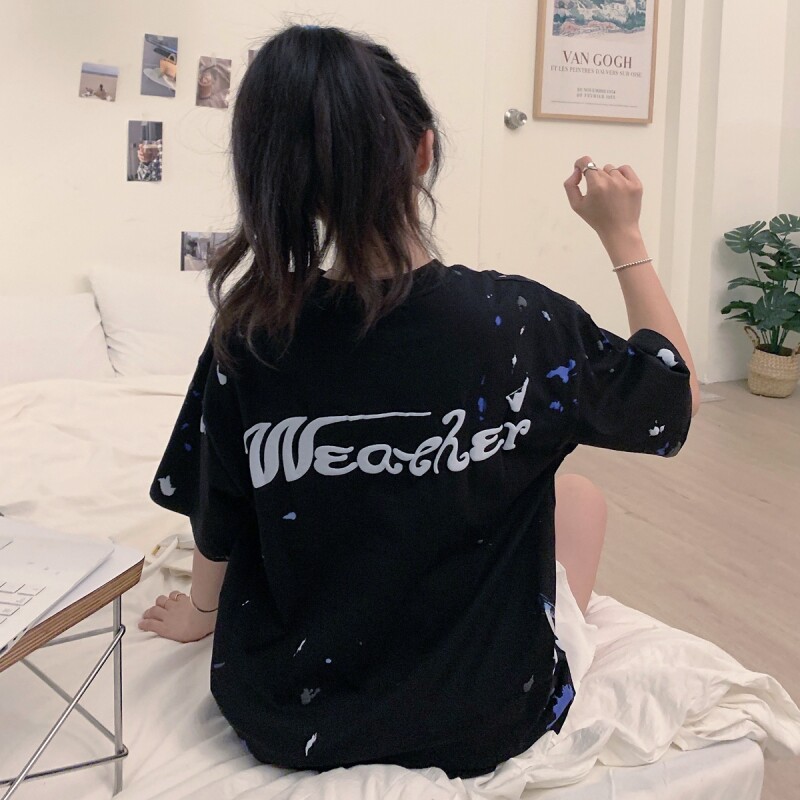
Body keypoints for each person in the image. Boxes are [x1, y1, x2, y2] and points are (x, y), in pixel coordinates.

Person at [140, 24, 700, 779]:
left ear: (276, 176)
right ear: (424, 152)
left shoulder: (252, 335)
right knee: (578, 498)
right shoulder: (518, 325)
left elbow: (220, 516)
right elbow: (671, 403)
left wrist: (200, 617)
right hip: (488, 715)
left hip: (288, 714)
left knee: (572, 496)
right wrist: (623, 234)